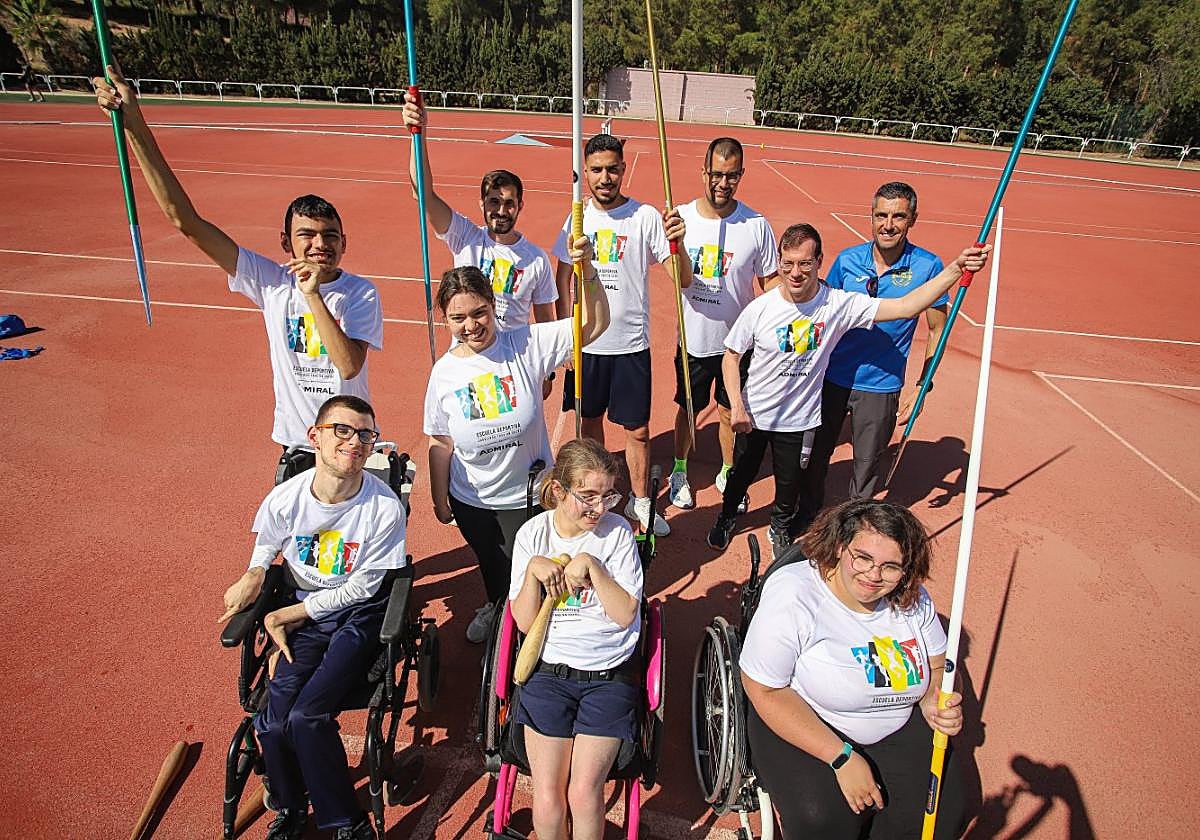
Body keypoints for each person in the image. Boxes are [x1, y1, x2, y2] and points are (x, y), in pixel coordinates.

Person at [95, 66, 383, 469]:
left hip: (351, 445)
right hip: (299, 446)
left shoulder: (360, 292)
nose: (321, 244)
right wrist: (134, 124)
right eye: (308, 235)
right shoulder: (269, 283)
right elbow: (186, 221)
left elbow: (349, 364)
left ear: (344, 242)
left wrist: (312, 294)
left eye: (331, 235)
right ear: (286, 243)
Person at [706, 224, 987, 558]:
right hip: (754, 416)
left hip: (799, 420)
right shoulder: (760, 308)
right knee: (741, 475)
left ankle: (779, 527)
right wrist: (737, 406)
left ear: (820, 261)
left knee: (788, 484)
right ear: (779, 263)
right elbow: (731, 355)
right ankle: (726, 516)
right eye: (788, 264)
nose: (795, 273)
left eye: (805, 264)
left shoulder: (838, 304)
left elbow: (907, 307)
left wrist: (956, 268)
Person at [218, 395, 407, 840]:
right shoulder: (285, 499)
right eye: (342, 430)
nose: (354, 442)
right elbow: (268, 543)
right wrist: (255, 572)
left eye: (365, 434)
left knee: (308, 716)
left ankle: (349, 822)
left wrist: (291, 613)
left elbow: (363, 588)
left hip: (357, 616)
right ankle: (290, 806)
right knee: (272, 718)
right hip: (303, 617)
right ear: (315, 437)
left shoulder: (383, 509)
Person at [739, 500, 966, 839]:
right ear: (841, 547)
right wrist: (841, 758)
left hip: (895, 724)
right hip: (811, 721)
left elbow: (937, 665)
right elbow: (764, 689)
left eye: (891, 566)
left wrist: (935, 699)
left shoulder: (913, 598)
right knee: (824, 822)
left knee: (944, 814)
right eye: (863, 558)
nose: (874, 575)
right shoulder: (795, 595)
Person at [424, 243, 610, 644]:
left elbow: (593, 324)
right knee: (493, 567)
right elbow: (440, 440)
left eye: (478, 313)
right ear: (446, 320)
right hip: (474, 502)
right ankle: (496, 608)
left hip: (530, 496)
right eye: (458, 318)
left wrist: (587, 270)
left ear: (494, 305)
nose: (470, 325)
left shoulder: (526, 343)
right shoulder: (443, 373)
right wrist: (441, 500)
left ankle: (537, 630)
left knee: (535, 571)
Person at [552, 133, 692, 537]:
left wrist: (678, 244)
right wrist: (567, 334)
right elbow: (564, 276)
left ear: (623, 169)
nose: (605, 177)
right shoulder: (577, 217)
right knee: (590, 424)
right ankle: (598, 497)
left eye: (612, 168)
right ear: (586, 172)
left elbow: (682, 279)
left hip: (631, 344)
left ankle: (641, 502)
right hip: (589, 344)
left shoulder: (645, 217)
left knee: (639, 431)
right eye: (596, 169)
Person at [508, 438, 643, 840]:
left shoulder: (617, 535)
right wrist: (534, 570)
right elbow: (525, 623)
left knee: (584, 793)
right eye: (587, 496)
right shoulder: (532, 536)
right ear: (558, 491)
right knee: (548, 794)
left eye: (607, 496)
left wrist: (595, 569)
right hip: (547, 673)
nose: (599, 509)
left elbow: (625, 615)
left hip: (608, 676)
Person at [810, 182, 949, 504]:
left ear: (912, 219)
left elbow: (937, 331)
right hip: (832, 377)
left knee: (866, 467)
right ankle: (806, 512)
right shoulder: (847, 261)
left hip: (880, 386)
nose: (888, 225)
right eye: (881, 215)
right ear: (871, 218)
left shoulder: (928, 266)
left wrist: (922, 386)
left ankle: (854, 525)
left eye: (898, 216)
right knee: (815, 456)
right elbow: (822, 314)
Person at [667, 137, 777, 513]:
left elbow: (772, 283)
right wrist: (677, 245)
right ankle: (679, 469)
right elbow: (679, 279)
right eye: (716, 174)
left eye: (731, 176)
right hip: (694, 340)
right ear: (704, 172)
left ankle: (729, 471)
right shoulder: (681, 219)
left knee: (732, 411)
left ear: (740, 175)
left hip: (737, 344)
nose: (722, 183)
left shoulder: (757, 225)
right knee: (688, 408)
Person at [400, 94, 558, 331]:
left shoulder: (537, 260)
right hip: (469, 356)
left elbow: (546, 324)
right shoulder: (465, 237)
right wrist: (418, 134)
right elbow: (423, 195)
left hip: (512, 361)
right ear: (482, 205)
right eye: (494, 202)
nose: (501, 211)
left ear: (520, 205)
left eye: (509, 203)